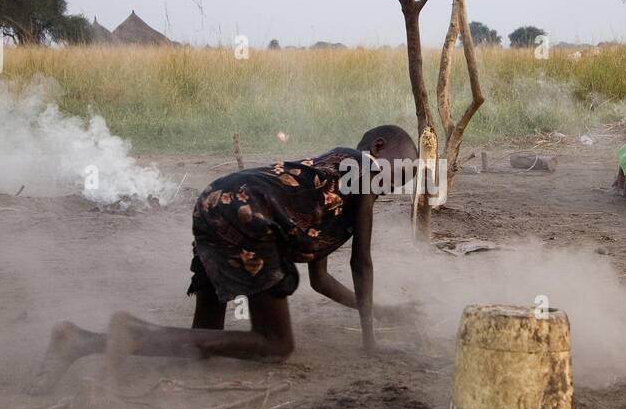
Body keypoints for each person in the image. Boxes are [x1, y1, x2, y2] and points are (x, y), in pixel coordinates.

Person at [30, 125, 419, 393]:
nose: (385, 189)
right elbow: (361, 263)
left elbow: (321, 280)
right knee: (276, 344)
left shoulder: (330, 191)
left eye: (393, 188)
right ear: (379, 148)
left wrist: (380, 310)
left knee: (201, 345)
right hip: (248, 212)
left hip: (215, 201)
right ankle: (129, 332)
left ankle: (81, 341)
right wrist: (370, 341)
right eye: (396, 174)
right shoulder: (362, 167)